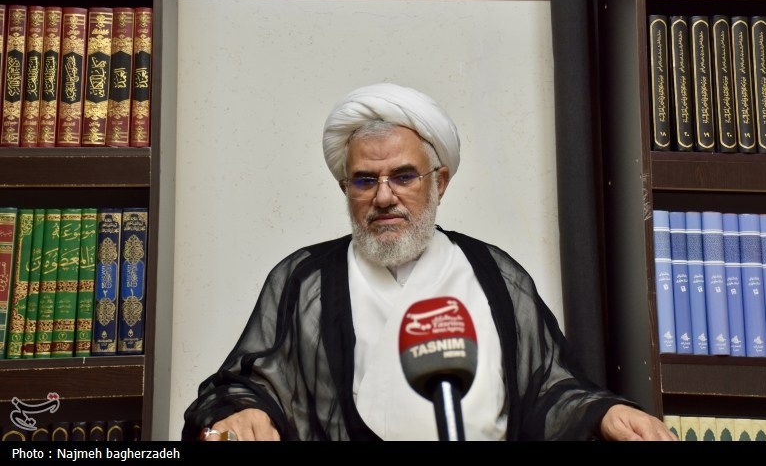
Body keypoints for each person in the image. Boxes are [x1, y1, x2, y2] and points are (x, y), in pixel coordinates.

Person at [182, 83, 678, 442]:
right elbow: (250, 384)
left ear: (439, 182)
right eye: (364, 180)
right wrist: (245, 414)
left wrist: (602, 413)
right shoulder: (305, 279)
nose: (383, 197)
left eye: (403, 177)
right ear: (344, 188)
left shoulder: (494, 274)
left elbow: (550, 388)